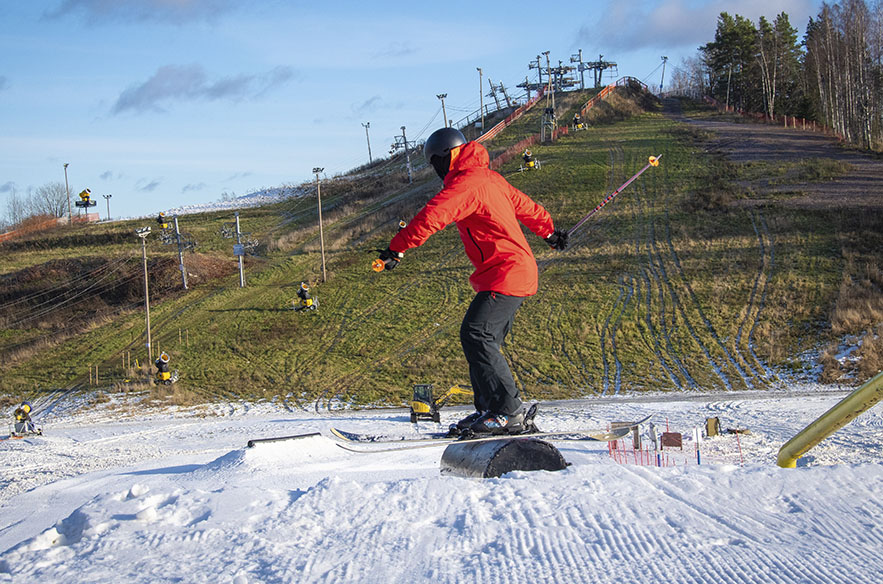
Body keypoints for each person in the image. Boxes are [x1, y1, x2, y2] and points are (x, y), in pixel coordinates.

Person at [376, 127, 568, 434]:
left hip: (506, 272)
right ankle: (491, 410)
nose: (436, 169)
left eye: (436, 161)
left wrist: (396, 249)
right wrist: (549, 232)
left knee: (477, 335)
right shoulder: (490, 178)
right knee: (480, 338)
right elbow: (528, 207)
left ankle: (509, 412)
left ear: (448, 157)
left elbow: (431, 217)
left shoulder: (468, 184)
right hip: (508, 271)